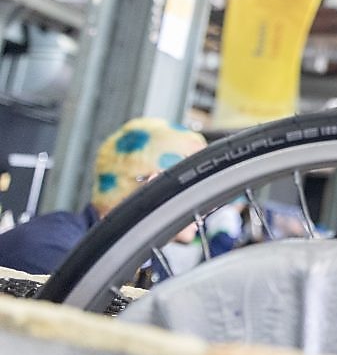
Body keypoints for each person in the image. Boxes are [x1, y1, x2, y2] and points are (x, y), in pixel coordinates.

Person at [0, 117, 207, 276]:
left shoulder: (148, 266)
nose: (208, 207)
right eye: (196, 186)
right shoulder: (52, 253)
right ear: (154, 185)